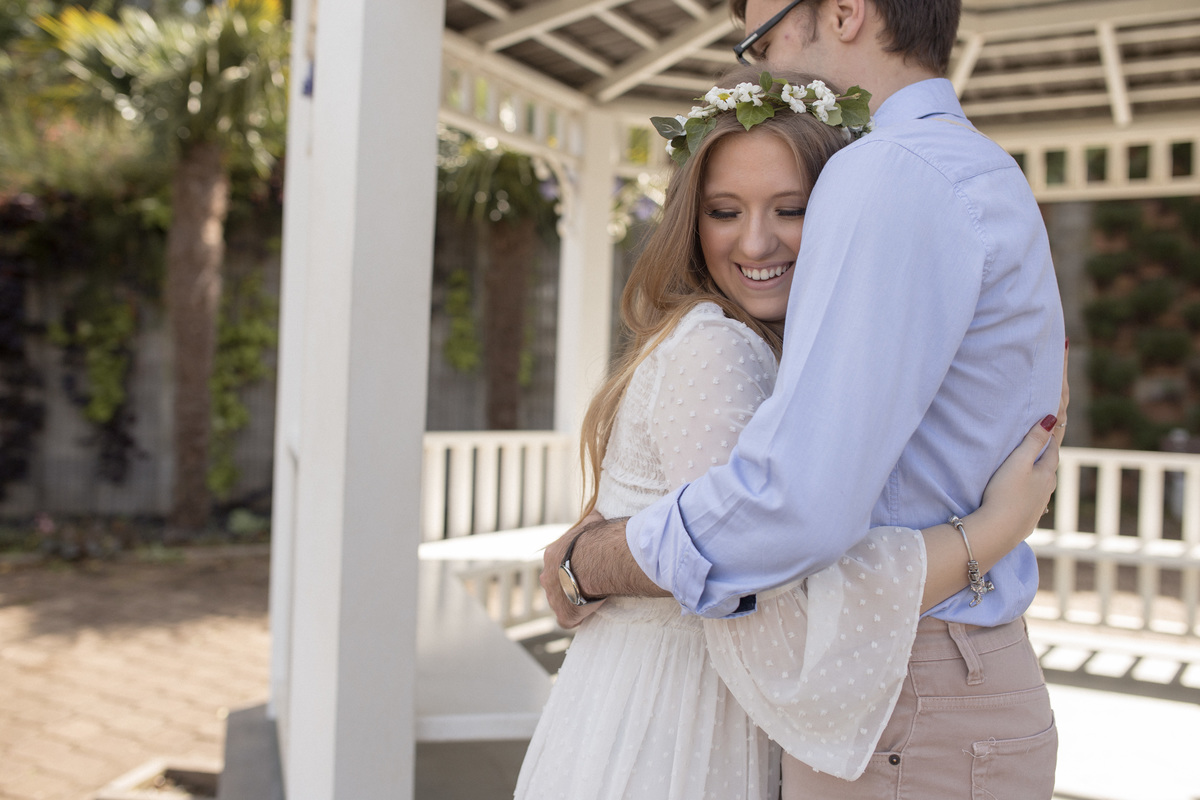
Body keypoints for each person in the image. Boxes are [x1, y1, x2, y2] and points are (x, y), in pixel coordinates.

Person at [538, 1, 1066, 797]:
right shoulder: (980, 170)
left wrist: (592, 560)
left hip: (903, 685)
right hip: (928, 675)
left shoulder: (886, 172)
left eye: (760, 38)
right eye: (726, 211)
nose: (760, 68)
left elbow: (793, 509)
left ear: (845, 12)